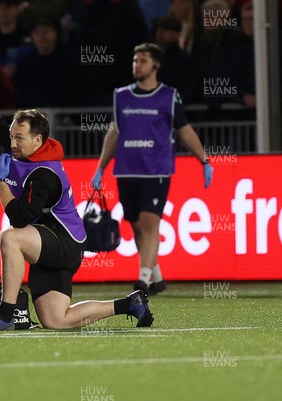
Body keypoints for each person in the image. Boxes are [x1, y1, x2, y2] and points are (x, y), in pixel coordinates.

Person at [0, 66, 154, 331]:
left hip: (64, 244)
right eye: (11, 136)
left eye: (18, 138)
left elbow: (19, 218)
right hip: (49, 241)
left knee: (10, 237)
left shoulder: (45, 175)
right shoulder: (25, 148)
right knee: (56, 320)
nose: (12, 143)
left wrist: (0, 183)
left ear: (37, 139)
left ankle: (5, 315)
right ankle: (129, 305)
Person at [91, 43, 213, 296]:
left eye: (143, 60)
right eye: (135, 60)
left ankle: (143, 280)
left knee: (149, 223)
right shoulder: (122, 96)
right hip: (126, 170)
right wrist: (101, 167)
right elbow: (114, 132)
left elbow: (185, 130)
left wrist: (204, 160)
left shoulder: (169, 96)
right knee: (136, 225)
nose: (137, 64)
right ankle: (156, 276)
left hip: (155, 170)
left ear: (156, 66)